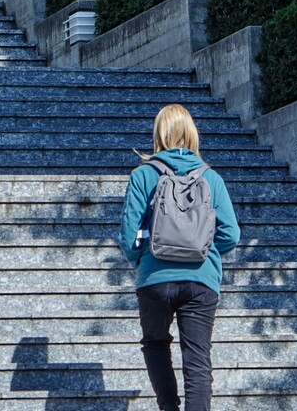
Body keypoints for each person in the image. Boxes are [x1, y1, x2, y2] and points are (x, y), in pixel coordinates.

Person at [117, 103, 241, 411]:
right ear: (191, 133)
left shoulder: (143, 175)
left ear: (158, 133)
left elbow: (128, 235)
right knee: (197, 357)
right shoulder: (211, 178)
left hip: (155, 279)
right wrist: (206, 253)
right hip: (201, 281)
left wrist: (142, 260)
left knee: (156, 344)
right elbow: (231, 235)